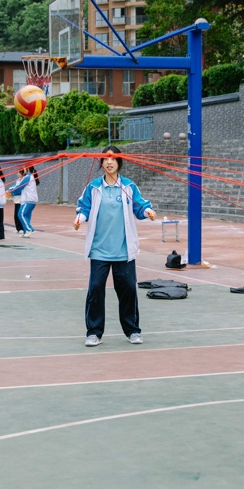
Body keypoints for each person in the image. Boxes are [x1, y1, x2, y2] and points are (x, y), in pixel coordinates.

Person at [74, 147, 155, 346]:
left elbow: (140, 206)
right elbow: (84, 208)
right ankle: (94, 332)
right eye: (105, 159)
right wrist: (79, 219)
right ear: (101, 163)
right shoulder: (93, 187)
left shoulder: (128, 186)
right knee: (95, 289)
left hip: (123, 249)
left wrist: (148, 212)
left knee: (128, 289)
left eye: (113, 159)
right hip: (99, 250)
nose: (109, 162)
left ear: (119, 162)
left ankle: (133, 330)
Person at [10, 165, 39, 237]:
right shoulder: (30, 176)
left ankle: (29, 229)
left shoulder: (27, 177)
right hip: (29, 200)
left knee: (21, 214)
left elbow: (19, 187)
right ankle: (26, 231)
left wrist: (11, 191)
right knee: (26, 215)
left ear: (27, 169)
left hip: (28, 200)